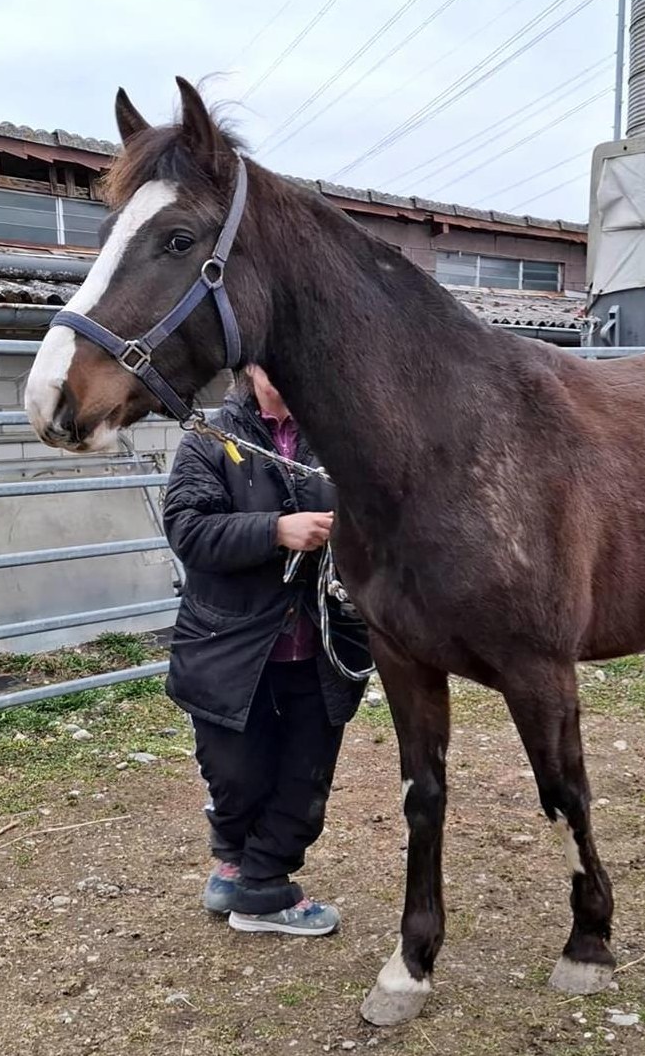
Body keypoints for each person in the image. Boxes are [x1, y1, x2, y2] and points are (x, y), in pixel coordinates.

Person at [162, 363, 371, 937]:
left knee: (305, 774)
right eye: (267, 358)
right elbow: (188, 530)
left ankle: (262, 882)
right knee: (235, 772)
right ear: (248, 368)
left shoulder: (341, 434)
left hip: (319, 643)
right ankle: (238, 868)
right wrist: (276, 531)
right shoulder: (210, 440)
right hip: (230, 646)